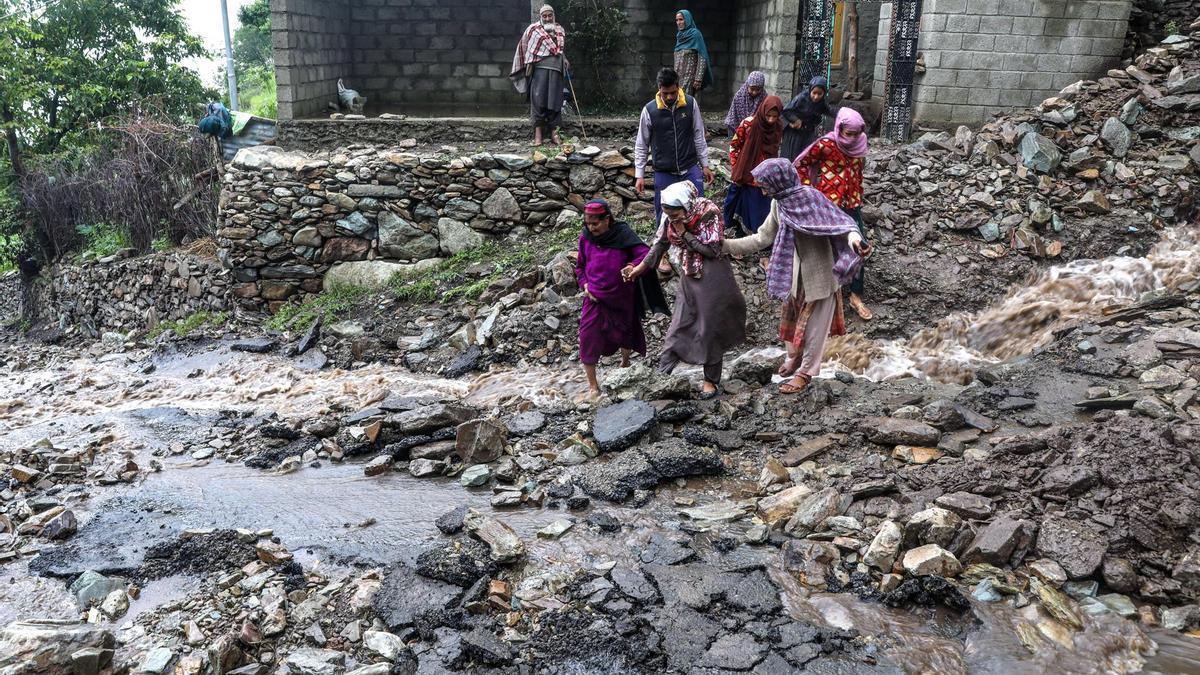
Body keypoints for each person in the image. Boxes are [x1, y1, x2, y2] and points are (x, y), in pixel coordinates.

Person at [724, 159, 869, 393]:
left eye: (764, 185)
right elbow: (762, 238)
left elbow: (843, 225)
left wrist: (855, 242)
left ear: (778, 181)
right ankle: (794, 357)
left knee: (815, 327)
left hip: (820, 276)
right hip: (792, 274)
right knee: (791, 321)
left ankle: (805, 373)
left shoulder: (811, 198)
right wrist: (724, 246)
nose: (762, 190)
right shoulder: (778, 204)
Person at [622, 182, 746, 399]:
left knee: (709, 327)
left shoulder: (709, 212)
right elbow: (660, 244)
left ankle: (711, 380)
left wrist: (684, 233)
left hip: (713, 275)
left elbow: (712, 250)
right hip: (689, 275)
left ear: (687, 205)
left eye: (676, 213)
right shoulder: (670, 216)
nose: (672, 218)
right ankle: (662, 375)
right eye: (668, 213)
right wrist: (638, 269)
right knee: (679, 324)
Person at [575, 199, 669, 398]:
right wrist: (584, 285)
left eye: (595, 223)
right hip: (594, 298)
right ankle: (592, 385)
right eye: (588, 224)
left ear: (607, 219)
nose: (591, 228)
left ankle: (625, 361)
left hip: (621, 297)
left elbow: (644, 253)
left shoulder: (622, 234)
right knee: (587, 337)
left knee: (625, 331)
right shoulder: (586, 238)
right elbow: (580, 267)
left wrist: (632, 265)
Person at [794, 107, 874, 320]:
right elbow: (801, 163)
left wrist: (856, 188)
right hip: (829, 204)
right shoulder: (826, 145)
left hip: (852, 203)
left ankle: (856, 294)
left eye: (857, 134)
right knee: (826, 248)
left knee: (859, 246)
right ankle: (826, 294)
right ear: (839, 128)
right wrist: (810, 190)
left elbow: (859, 169)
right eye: (849, 134)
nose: (853, 139)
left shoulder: (861, 144)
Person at [634, 68, 714, 227]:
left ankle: (697, 247)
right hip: (664, 171)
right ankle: (663, 249)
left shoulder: (690, 104)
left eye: (673, 92)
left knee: (698, 210)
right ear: (659, 89)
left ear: (678, 87)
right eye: (665, 93)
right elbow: (642, 144)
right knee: (663, 216)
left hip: (689, 168)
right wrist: (639, 175)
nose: (670, 97)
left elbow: (699, 135)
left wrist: (705, 165)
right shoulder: (649, 111)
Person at [724, 95, 784, 236]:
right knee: (737, 204)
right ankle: (738, 237)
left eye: (775, 116)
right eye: (768, 115)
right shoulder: (749, 124)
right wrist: (737, 168)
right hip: (745, 173)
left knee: (760, 209)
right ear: (763, 111)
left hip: (764, 177)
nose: (771, 120)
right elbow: (735, 145)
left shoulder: (778, 127)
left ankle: (760, 241)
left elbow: (774, 151)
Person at [510, 5, 567, 147]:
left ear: (554, 16)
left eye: (550, 15)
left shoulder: (559, 30)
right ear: (540, 17)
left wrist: (565, 59)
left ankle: (555, 134)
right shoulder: (533, 30)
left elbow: (559, 51)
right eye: (544, 16)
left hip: (556, 71)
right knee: (538, 101)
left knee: (555, 102)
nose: (547, 18)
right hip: (539, 71)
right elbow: (524, 47)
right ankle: (538, 136)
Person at [781, 76, 832, 161]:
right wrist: (796, 120)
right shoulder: (801, 98)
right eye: (814, 93)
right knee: (792, 158)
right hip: (794, 132)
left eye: (820, 94)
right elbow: (786, 111)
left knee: (806, 157)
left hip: (808, 132)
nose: (816, 97)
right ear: (810, 90)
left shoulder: (822, 103)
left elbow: (830, 111)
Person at [673, 10, 713, 97]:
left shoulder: (695, 34)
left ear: (687, 20)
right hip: (677, 78)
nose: (678, 22)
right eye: (677, 20)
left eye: (681, 19)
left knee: (689, 103)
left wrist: (698, 79)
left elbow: (702, 57)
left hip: (690, 78)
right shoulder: (679, 36)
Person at [724, 71, 767, 137]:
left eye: (758, 89)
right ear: (747, 85)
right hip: (735, 127)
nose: (754, 92)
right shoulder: (739, 96)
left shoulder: (764, 97)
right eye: (752, 89)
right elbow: (736, 116)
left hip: (755, 130)